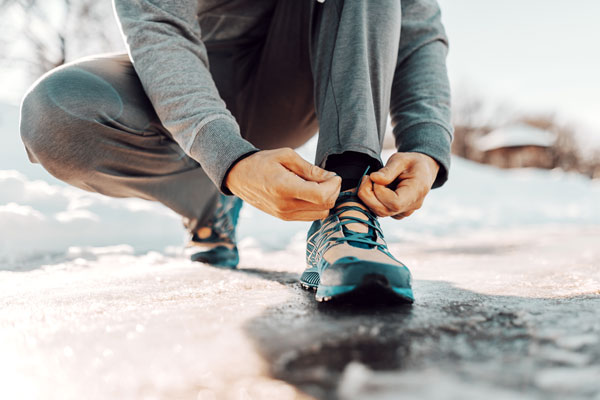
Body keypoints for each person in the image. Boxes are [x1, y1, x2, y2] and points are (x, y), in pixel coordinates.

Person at [19, 0, 452, 304]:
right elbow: (157, 25)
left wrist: (427, 146)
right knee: (56, 112)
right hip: (183, 75)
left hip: (298, 83)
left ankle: (347, 206)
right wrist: (227, 156)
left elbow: (417, 29)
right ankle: (210, 202)